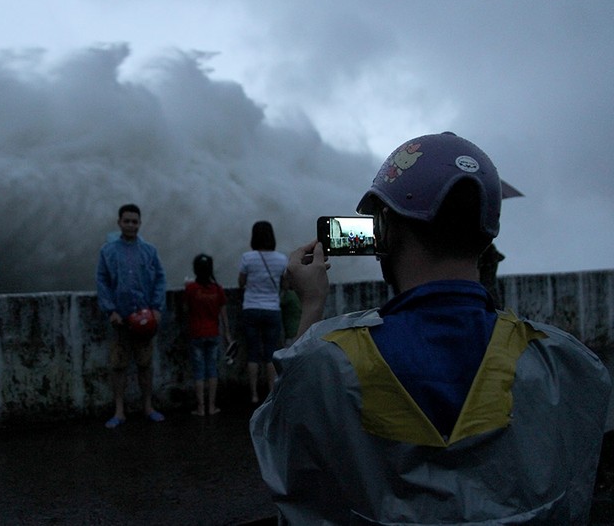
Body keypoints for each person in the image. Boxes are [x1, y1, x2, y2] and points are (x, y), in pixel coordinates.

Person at [251, 132, 611, 524]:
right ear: (488, 233)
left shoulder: (325, 361)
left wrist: (312, 306)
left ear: (386, 228)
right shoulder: (569, 364)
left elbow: (285, 452)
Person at [96, 203, 167, 429]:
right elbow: (102, 281)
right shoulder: (107, 251)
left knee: (145, 364)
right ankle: (119, 410)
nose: (130, 225)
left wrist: (157, 308)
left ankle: (148, 407)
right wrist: (110, 310)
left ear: (139, 223)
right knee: (119, 365)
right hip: (120, 320)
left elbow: (160, 280)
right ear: (119, 223)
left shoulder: (149, 251)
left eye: (134, 221)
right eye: (126, 221)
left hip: (145, 317)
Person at [239, 221, 288, 404]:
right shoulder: (281, 259)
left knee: (252, 353)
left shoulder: (247, 258)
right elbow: (284, 285)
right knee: (270, 354)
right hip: (272, 310)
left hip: (251, 308)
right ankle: (271, 393)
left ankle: (253, 395)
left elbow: (241, 283)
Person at [184, 254, 232, 416]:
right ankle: (212, 407)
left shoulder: (191, 289)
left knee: (199, 372)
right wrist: (227, 334)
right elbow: (224, 315)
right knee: (212, 370)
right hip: (213, 333)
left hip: (196, 333)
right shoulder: (217, 289)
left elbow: (186, 308)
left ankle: (200, 407)